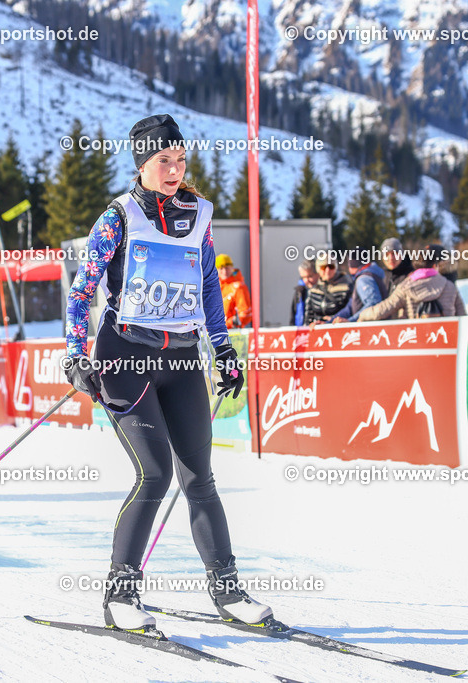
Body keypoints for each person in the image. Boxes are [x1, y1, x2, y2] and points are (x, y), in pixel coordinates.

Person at [63, 113, 275, 633]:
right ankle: (120, 594)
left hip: (181, 359)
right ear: (143, 162)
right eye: (165, 160)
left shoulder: (198, 215)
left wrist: (222, 350)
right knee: (154, 473)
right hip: (125, 356)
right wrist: (75, 354)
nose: (176, 168)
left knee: (200, 476)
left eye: (181, 159)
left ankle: (228, 591)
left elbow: (208, 289)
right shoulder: (118, 217)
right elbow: (82, 290)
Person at [358, 245, 466, 321]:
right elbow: (463, 315)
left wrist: (363, 315)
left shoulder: (405, 287)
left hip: (417, 341)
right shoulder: (450, 286)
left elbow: (383, 309)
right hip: (446, 340)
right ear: (435, 266)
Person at [329, 257, 387, 324]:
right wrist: (329, 322)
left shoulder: (363, 279)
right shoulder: (373, 274)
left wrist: (350, 321)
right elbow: (350, 307)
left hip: (369, 327)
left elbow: (373, 304)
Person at [304, 255, 351, 325]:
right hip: (318, 331)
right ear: (318, 269)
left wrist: (331, 320)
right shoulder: (313, 290)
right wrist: (314, 323)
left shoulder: (346, 287)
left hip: (338, 328)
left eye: (331, 266)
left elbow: (350, 310)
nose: (327, 270)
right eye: (323, 267)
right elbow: (309, 316)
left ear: (336, 268)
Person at [216, 254, 252, 328]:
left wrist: (229, 323)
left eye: (227, 268)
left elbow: (245, 314)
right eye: (221, 268)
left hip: (232, 333)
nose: (224, 271)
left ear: (232, 268)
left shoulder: (238, 287)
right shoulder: (215, 287)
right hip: (214, 332)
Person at [289, 258, 318, 326]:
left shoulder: (324, 290)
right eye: (304, 277)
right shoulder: (299, 291)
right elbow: (293, 315)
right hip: (302, 331)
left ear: (318, 274)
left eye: (310, 276)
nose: (307, 280)